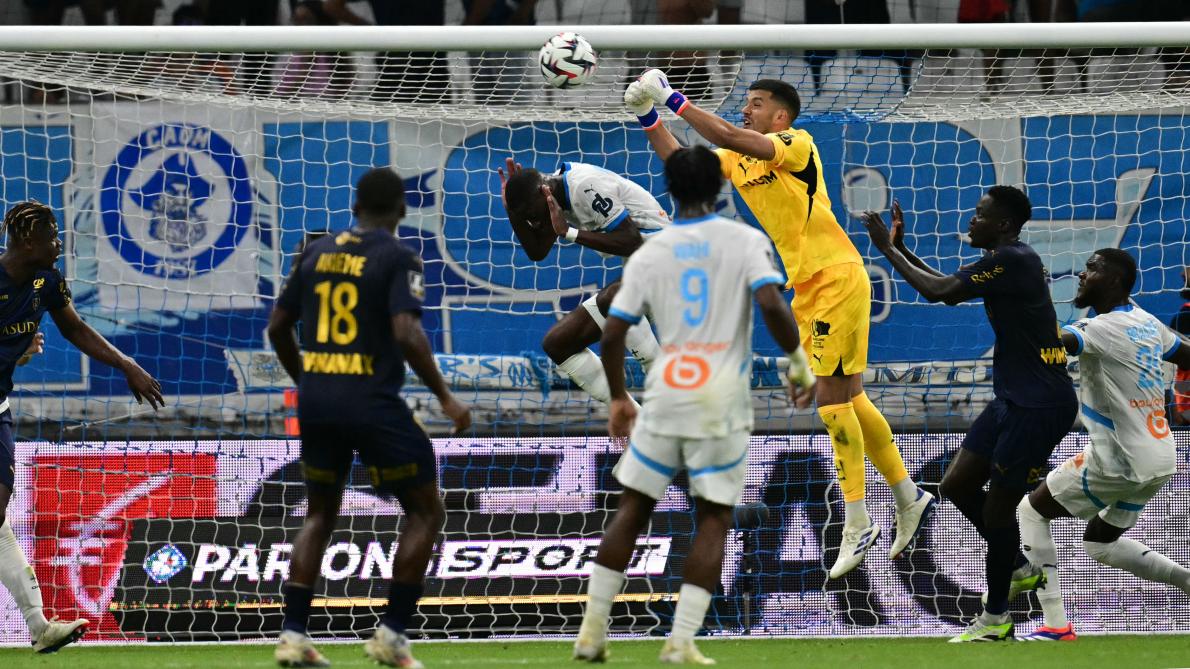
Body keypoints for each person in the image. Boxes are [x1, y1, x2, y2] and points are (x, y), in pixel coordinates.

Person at [625, 72, 935, 578]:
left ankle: (857, 519)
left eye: (756, 103)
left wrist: (671, 98)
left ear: (780, 116)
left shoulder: (796, 143)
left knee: (830, 400)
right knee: (851, 396)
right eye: (746, 103)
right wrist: (647, 115)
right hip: (808, 286)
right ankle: (908, 495)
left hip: (836, 275)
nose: (746, 110)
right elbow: (684, 163)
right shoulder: (739, 159)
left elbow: (728, 134)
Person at [573, 145, 815, 665]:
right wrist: (798, 361)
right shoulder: (744, 240)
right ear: (720, 187)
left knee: (633, 508)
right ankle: (681, 641)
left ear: (669, 189)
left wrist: (618, 398)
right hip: (720, 396)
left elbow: (613, 333)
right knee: (713, 517)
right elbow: (772, 304)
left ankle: (591, 633)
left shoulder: (651, 252)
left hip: (666, 390)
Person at [268, 168, 471, 667]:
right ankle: (392, 633)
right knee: (425, 510)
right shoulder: (399, 256)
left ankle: (292, 636)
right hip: (372, 402)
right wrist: (446, 398)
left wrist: (308, 380)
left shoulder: (314, 252)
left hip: (317, 402)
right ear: (401, 209)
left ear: (355, 208)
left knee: (319, 514)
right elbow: (406, 332)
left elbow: (277, 327)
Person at [860, 189, 1078, 642]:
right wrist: (901, 250)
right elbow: (948, 289)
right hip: (1012, 400)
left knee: (998, 510)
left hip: (1039, 404)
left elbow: (939, 292)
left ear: (1003, 225)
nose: (971, 220)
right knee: (956, 485)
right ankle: (1017, 565)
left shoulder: (1013, 259)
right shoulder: (1006, 259)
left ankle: (995, 618)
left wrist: (885, 250)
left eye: (980, 214)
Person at [0, 200, 164, 654]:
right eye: (51, 237)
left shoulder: (48, 281)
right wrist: (14, 349)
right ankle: (38, 625)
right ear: (27, 241)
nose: (59, 244)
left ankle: (40, 626)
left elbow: (74, 328)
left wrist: (127, 364)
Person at [1017, 249, 1190, 641]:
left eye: (1092, 268)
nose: (1082, 274)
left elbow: (1050, 342)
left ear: (1113, 280)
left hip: (1119, 460)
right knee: (1100, 543)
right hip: (1161, 458)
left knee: (1031, 511)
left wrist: (1031, 295)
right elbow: (1187, 354)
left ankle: (1055, 625)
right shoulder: (1147, 322)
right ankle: (1186, 580)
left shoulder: (1098, 329)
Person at [498, 157, 666, 405]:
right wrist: (511, 211)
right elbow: (537, 250)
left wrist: (569, 233)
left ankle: (664, 383)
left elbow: (632, 241)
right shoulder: (551, 196)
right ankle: (632, 417)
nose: (534, 222)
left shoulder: (585, 186)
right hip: (643, 268)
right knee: (558, 343)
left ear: (544, 192)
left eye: (531, 215)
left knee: (614, 298)